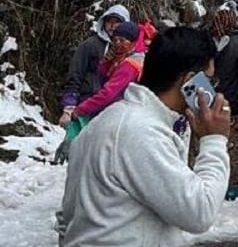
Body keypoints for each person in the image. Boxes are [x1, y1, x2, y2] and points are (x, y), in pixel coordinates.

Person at [56, 27, 229, 247]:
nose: (212, 91)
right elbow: (199, 211)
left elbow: (66, 218)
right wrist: (214, 139)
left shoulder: (107, 121)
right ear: (190, 82)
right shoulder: (141, 132)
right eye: (210, 82)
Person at [192, 3, 238, 201]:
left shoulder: (202, 42)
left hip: (205, 100)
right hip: (233, 103)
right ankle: (231, 185)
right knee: (232, 145)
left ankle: (194, 179)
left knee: (199, 141)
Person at [58, 5, 130, 133]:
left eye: (117, 22)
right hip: (85, 105)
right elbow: (75, 74)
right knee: (75, 147)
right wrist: (69, 107)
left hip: (113, 111)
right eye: (109, 22)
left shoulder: (128, 52)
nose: (113, 26)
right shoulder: (90, 45)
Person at [67, 22, 145, 131]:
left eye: (122, 40)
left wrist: (80, 110)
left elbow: (108, 93)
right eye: (115, 40)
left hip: (120, 118)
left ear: (133, 42)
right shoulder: (124, 58)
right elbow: (103, 78)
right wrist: (106, 63)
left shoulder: (130, 64)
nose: (118, 43)